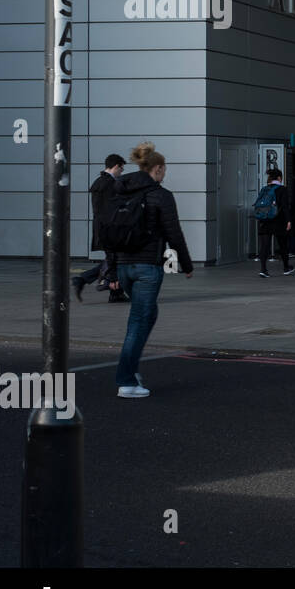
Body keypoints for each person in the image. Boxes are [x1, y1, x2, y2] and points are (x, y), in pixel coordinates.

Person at [112, 142, 193, 398]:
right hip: (148, 266)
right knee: (138, 321)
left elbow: (109, 228)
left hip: (124, 264)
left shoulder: (120, 191)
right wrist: (187, 264)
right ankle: (126, 381)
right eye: (164, 169)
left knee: (147, 314)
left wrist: (111, 267)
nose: (165, 173)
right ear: (157, 168)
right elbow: (173, 233)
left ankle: (131, 369)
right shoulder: (161, 195)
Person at [72, 153, 129, 303]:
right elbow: (113, 209)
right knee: (117, 258)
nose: (121, 173)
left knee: (114, 259)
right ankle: (83, 280)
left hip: (102, 227)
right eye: (121, 169)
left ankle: (115, 293)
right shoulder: (111, 184)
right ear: (116, 166)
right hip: (110, 229)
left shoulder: (99, 182)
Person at [256, 167, 295, 278]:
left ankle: (263, 269)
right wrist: (288, 220)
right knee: (283, 244)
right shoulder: (282, 189)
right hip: (279, 220)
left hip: (264, 220)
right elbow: (285, 206)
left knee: (265, 245)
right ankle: (286, 267)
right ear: (279, 178)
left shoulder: (264, 189)